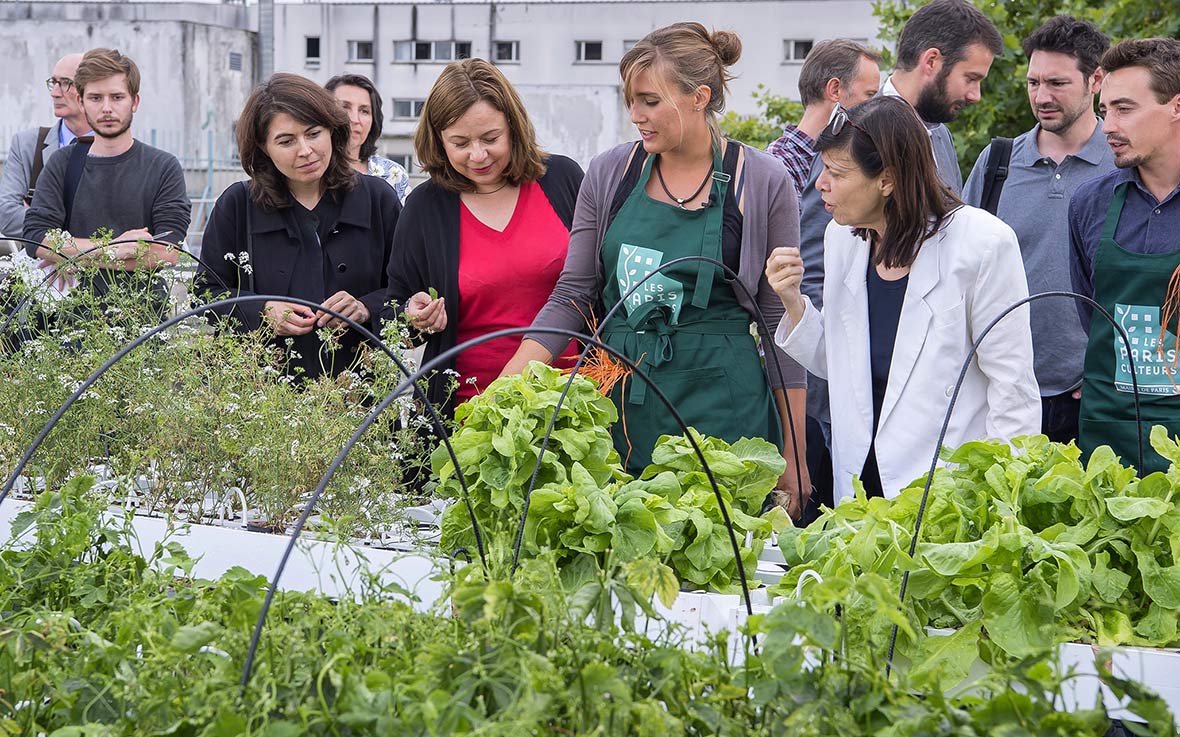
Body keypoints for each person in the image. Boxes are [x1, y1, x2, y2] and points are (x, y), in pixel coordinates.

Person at [501, 23, 809, 516]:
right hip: (622, 402)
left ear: (698, 97)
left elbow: (778, 325)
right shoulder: (610, 173)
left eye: (648, 101)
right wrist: (509, 384)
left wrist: (794, 455)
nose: (635, 116)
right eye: (630, 102)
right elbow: (574, 293)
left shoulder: (764, 181)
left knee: (722, 558)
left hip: (725, 409)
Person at [767, 96, 1039, 502]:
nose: (821, 184)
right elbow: (841, 363)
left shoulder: (982, 244)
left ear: (887, 180)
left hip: (946, 485)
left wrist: (1000, 497)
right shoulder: (842, 238)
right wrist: (793, 302)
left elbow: (1012, 387)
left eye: (836, 173)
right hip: (860, 480)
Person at [383, 58, 583, 412]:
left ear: (514, 127)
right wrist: (414, 316)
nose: (478, 155)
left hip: (570, 402)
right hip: (468, 414)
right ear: (439, 141)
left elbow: (595, 284)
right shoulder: (425, 208)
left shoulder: (563, 180)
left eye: (491, 138)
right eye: (460, 143)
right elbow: (396, 308)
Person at [963, 16, 1113, 444]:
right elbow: (961, 274)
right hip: (1002, 396)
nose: (1041, 96)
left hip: (1090, 398)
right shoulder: (996, 164)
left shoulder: (1123, 168)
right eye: (1033, 83)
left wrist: (1103, 373)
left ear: (1095, 80)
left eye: (1057, 83)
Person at [196, 73, 401, 380]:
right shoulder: (238, 205)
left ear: (332, 129)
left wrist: (365, 307)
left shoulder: (377, 199)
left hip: (360, 396)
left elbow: (409, 290)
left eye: (313, 133)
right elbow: (204, 293)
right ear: (264, 147)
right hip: (262, 397)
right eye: (286, 141)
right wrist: (262, 310)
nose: (305, 150)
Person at [1069, 38, 1180, 475]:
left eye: (1124, 109)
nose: (1107, 126)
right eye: (1104, 111)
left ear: (1175, 107)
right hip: (1107, 434)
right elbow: (1089, 311)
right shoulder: (1089, 204)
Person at [22, 48, 189, 292]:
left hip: (144, 318)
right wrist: (113, 248)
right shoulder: (63, 163)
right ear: (81, 101)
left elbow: (166, 252)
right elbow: (36, 238)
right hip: (69, 317)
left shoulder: (163, 167)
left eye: (117, 97)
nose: (107, 108)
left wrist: (72, 253)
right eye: (96, 98)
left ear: (135, 101)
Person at [767, 39, 881, 203]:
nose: (875, 106)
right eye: (870, 95)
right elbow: (800, 228)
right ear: (835, 90)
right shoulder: (779, 164)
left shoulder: (859, 153)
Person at [0, 53, 92, 242]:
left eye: (66, 83)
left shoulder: (120, 149)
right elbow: (6, 216)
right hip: (42, 268)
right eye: (54, 82)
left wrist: (39, 220)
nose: (55, 93)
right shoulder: (27, 144)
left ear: (91, 90)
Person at [325, 73, 411, 204]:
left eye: (364, 111)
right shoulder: (311, 169)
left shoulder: (393, 175)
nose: (354, 119)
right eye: (345, 107)